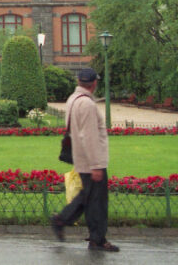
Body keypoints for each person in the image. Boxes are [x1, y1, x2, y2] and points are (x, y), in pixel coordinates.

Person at [51, 68, 119, 252]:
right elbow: (89, 136)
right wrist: (96, 165)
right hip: (92, 160)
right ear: (94, 83)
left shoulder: (73, 100)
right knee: (97, 201)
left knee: (88, 197)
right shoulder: (87, 104)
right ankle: (97, 240)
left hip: (82, 158)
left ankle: (61, 220)